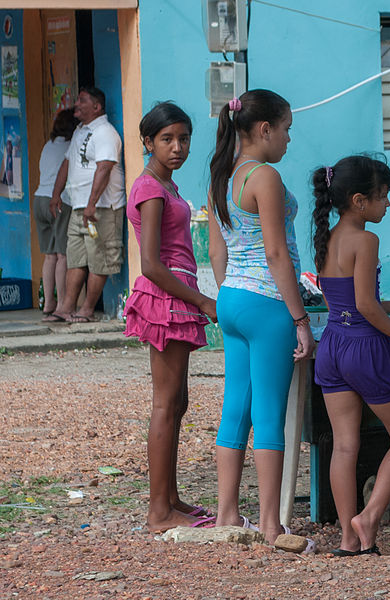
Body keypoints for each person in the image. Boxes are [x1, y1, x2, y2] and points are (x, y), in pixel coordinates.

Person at [312, 155, 390, 556]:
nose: (387, 205)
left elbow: (348, 299)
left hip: (332, 347)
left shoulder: (327, 237)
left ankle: (349, 539)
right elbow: (365, 306)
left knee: (344, 446)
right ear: (359, 201)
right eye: (383, 198)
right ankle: (369, 517)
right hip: (365, 348)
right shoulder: (366, 240)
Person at [207, 89, 315, 547]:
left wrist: (232, 293)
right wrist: (300, 318)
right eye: (287, 129)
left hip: (231, 298)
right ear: (264, 129)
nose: (290, 138)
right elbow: (276, 254)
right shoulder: (264, 176)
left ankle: (227, 514)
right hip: (268, 304)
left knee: (236, 407)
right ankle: (272, 526)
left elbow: (217, 250)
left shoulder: (220, 176)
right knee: (269, 414)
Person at [123, 102, 218, 532]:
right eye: (167, 139)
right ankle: (158, 511)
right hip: (167, 296)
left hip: (176, 294)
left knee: (177, 403)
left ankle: (171, 498)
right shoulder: (150, 188)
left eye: (183, 138)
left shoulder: (168, 185)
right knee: (165, 404)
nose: (177, 147)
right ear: (148, 142)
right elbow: (151, 263)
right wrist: (201, 301)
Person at [48, 87, 126, 323]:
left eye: (82, 101)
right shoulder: (81, 131)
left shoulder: (104, 132)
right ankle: (66, 308)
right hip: (79, 206)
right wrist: (56, 194)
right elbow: (66, 163)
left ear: (97, 107)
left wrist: (92, 204)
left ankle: (87, 309)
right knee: (76, 258)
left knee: (99, 258)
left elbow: (104, 168)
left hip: (101, 208)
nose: (77, 105)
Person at [32, 109, 78, 320]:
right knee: (62, 255)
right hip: (58, 200)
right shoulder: (70, 146)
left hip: (39, 198)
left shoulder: (48, 145)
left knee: (49, 255)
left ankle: (48, 302)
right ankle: (61, 303)